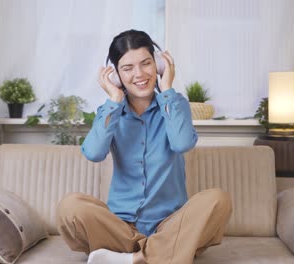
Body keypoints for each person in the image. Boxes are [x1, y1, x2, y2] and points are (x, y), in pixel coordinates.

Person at [56, 29, 232, 264]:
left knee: (218, 199)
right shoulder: (110, 112)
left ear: (158, 65)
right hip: (121, 228)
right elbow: (93, 153)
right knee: (70, 206)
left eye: (146, 63)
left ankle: (131, 259)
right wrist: (114, 100)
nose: (139, 74)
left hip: (170, 226)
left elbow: (182, 143)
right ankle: (162, 255)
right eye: (127, 68)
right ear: (116, 75)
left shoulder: (176, 105)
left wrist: (167, 87)